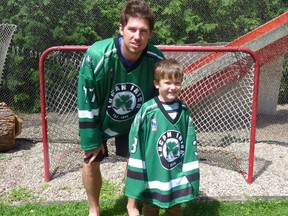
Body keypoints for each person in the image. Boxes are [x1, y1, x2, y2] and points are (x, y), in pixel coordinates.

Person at [77, 0, 164, 215]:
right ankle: (94, 209)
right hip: (101, 119)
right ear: (121, 29)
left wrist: (152, 132)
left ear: (150, 33)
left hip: (134, 121)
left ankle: (131, 204)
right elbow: (86, 101)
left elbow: (158, 102)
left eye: (143, 31)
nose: (137, 36)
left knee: (137, 159)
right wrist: (91, 139)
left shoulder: (156, 59)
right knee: (91, 159)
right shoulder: (96, 55)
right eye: (132, 29)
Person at [125, 58, 200, 216]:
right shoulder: (148, 110)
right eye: (167, 83)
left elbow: (189, 142)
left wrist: (189, 171)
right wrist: (140, 168)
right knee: (150, 208)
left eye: (177, 83)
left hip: (175, 173)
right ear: (157, 84)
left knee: (175, 208)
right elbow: (135, 140)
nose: (173, 87)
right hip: (153, 173)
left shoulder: (184, 110)